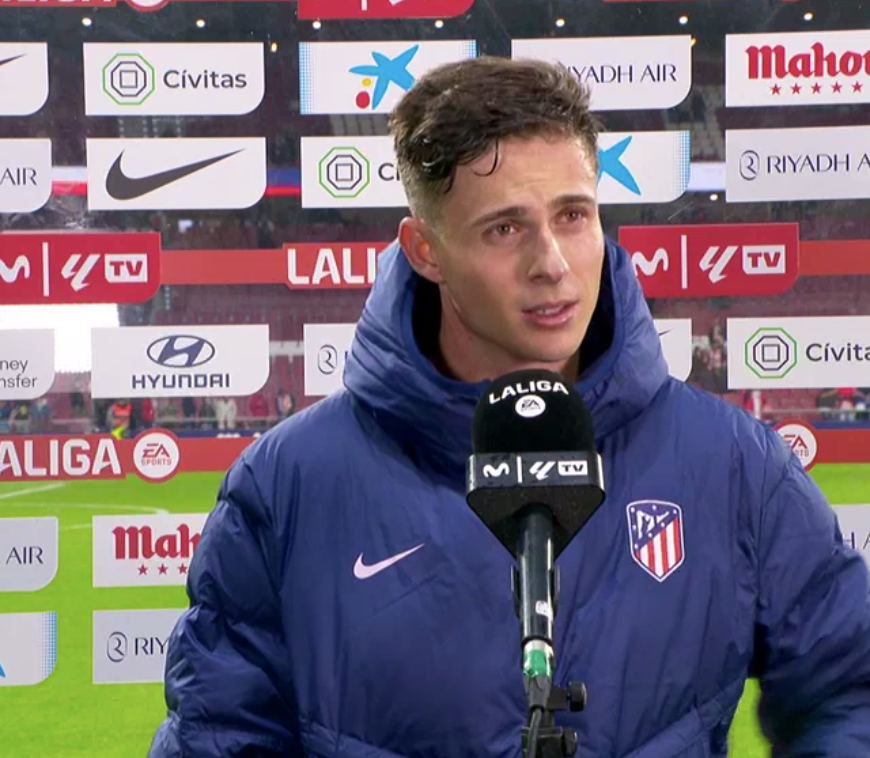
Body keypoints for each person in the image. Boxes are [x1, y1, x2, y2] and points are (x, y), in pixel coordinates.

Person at [148, 58, 870, 758]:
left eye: (573, 215)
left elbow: (850, 693)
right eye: (505, 228)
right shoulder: (288, 487)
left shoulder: (737, 465)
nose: (551, 263)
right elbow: (220, 735)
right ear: (425, 249)